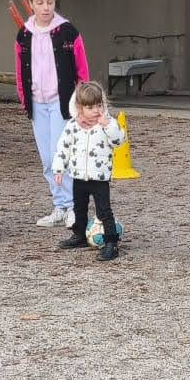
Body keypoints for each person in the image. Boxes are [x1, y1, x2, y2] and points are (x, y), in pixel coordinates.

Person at [15, 0, 90, 229]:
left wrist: (83, 100)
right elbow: (19, 69)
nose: (46, 7)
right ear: (32, 4)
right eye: (40, 2)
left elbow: (81, 67)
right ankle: (59, 204)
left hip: (62, 102)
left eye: (50, 2)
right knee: (47, 158)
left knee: (62, 154)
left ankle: (72, 207)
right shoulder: (24, 35)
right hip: (38, 103)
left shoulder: (67, 31)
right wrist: (24, 98)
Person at [52, 81, 125, 262]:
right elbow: (63, 148)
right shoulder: (73, 126)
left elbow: (119, 141)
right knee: (79, 208)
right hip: (78, 175)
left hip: (99, 177)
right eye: (90, 107)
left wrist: (108, 125)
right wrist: (59, 168)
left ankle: (111, 242)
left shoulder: (107, 125)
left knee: (104, 211)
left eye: (99, 105)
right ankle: (79, 236)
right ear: (80, 108)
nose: (95, 110)